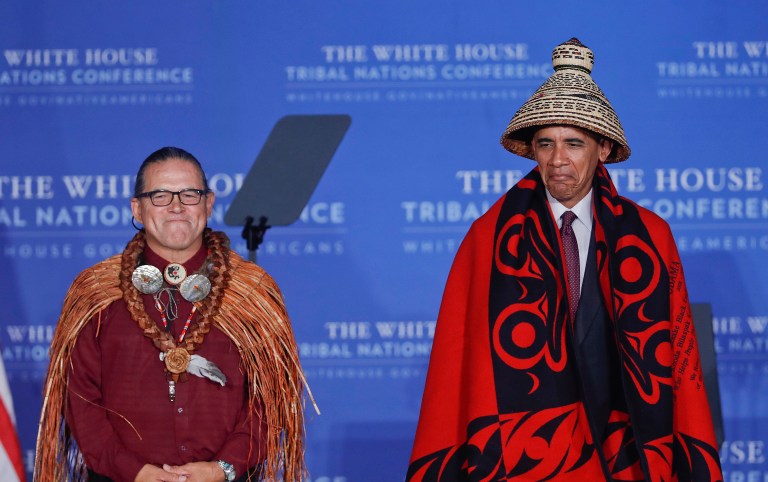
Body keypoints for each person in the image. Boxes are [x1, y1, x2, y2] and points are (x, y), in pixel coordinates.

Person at [406, 39, 723, 481]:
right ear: (532, 150)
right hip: (528, 457)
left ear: (603, 150)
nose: (558, 161)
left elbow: (676, 366)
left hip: (625, 447)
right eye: (545, 144)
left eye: (574, 143)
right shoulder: (488, 237)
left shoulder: (651, 236)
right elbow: (459, 366)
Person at [34, 147, 312, 482]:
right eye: (160, 195)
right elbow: (81, 402)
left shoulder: (252, 293)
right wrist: (134, 472)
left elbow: (272, 401)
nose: (177, 206)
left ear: (208, 203)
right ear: (137, 207)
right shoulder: (96, 294)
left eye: (190, 194)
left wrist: (223, 468)